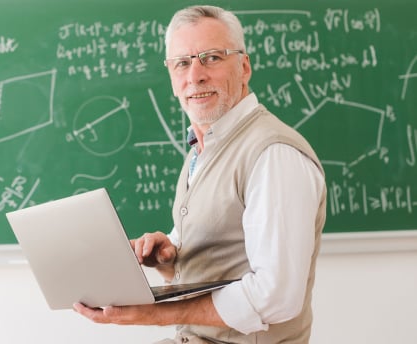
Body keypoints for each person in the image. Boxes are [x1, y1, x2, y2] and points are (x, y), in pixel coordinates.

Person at [74, 5, 327, 344]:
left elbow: (277, 296)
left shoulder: (273, 154)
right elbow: (219, 258)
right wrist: (168, 258)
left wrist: (154, 315)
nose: (195, 76)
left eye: (211, 58)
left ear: (244, 66)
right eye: (182, 63)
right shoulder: (201, 149)